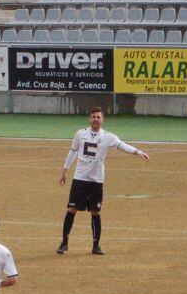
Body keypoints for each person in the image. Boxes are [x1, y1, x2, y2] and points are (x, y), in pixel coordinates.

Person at [57, 107, 150, 255]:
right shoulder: (80, 134)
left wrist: (138, 152)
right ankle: (64, 243)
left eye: (98, 117)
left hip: (96, 180)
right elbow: (73, 151)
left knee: (95, 212)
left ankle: (96, 246)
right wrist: (64, 170)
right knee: (71, 209)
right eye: (93, 116)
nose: (95, 119)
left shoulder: (108, 137)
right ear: (90, 118)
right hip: (80, 179)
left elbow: (122, 145)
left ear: (102, 120)